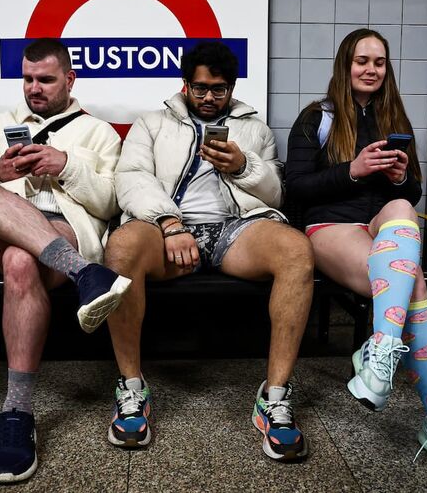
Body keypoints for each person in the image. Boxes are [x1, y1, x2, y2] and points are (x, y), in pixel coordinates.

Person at [286, 29, 427, 484]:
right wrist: (351, 172)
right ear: (345, 65)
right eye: (362, 60)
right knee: (411, 280)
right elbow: (294, 187)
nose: (371, 69)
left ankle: (380, 352)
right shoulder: (315, 118)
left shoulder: (395, 116)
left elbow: (412, 192)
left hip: (383, 227)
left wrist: (398, 179)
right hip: (330, 227)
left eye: (379, 61)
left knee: (401, 208)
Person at [103, 41, 314, 461]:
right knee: (122, 247)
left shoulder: (255, 129)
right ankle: (131, 389)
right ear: (185, 85)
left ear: (232, 87)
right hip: (165, 227)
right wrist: (170, 223)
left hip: (235, 229)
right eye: (199, 89)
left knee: (296, 251)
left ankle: (274, 397)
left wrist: (242, 166)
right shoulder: (152, 123)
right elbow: (129, 178)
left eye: (218, 90)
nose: (208, 98)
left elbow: (276, 192)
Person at [0, 39, 130, 483]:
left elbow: (111, 204)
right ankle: (88, 276)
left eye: (46, 79)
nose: (34, 88)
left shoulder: (99, 133)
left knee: (20, 260)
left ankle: (17, 413)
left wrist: (65, 164)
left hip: (63, 229)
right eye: (28, 79)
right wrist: (0, 177)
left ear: (69, 80)